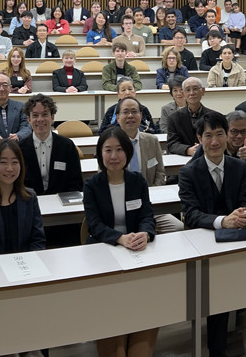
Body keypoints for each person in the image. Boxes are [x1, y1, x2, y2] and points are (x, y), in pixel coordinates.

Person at [178, 111, 246, 356]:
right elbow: (190, 214)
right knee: (218, 291)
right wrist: (222, 221)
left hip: (241, 236)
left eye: (220, 134)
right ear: (199, 139)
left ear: (227, 137)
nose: (214, 142)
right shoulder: (188, 172)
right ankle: (217, 350)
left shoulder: (238, 166)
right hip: (208, 242)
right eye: (208, 135)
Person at [83, 126, 158, 356]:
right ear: (100, 153)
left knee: (143, 300)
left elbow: (147, 215)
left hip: (136, 248)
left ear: (127, 152)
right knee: (111, 303)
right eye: (107, 150)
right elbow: (94, 225)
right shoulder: (92, 185)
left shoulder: (137, 181)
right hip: (104, 250)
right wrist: (120, 238)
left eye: (118, 150)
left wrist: (145, 233)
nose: (113, 156)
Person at [117, 96, 184, 233]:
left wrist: (150, 194)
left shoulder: (151, 140)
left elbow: (160, 173)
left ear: (141, 116)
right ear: (118, 117)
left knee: (179, 228)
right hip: (120, 208)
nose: (130, 115)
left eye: (134, 111)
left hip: (150, 206)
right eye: (125, 112)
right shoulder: (110, 143)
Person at [17, 94, 83, 195]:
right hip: (30, 202)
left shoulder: (67, 146)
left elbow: (76, 182)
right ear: (28, 119)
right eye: (35, 115)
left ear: (52, 117)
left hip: (61, 203)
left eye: (45, 114)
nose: (40, 119)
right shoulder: (19, 148)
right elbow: (17, 183)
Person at [166, 77, 220, 156]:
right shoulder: (173, 118)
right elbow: (172, 144)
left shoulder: (214, 116)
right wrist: (188, 150)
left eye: (195, 89)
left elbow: (220, 139)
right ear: (183, 94)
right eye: (188, 90)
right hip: (184, 159)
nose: (192, 93)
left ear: (203, 91)